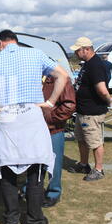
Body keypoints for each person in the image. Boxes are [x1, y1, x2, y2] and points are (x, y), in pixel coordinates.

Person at [0, 30, 69, 224]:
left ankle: (11, 220)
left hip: (7, 115)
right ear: (14, 41)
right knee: (36, 168)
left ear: (1, 43)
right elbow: (63, 76)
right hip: (32, 114)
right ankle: (34, 221)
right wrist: (50, 102)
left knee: (7, 170)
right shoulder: (36, 54)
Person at [69, 37, 112, 182]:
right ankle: (83, 164)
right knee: (82, 139)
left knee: (95, 142)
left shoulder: (95, 65)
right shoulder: (88, 64)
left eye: (77, 50)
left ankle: (99, 169)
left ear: (86, 49)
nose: (75, 53)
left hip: (91, 112)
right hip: (83, 111)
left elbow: (101, 88)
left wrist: (108, 100)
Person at [42, 75, 76, 207]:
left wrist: (50, 119)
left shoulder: (61, 79)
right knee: (32, 161)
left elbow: (69, 105)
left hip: (53, 129)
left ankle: (53, 192)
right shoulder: (30, 76)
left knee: (54, 163)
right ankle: (30, 189)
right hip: (33, 129)